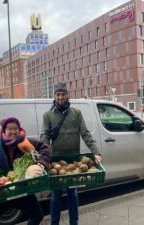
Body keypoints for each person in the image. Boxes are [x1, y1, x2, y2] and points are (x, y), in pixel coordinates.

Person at [0, 117, 51, 225]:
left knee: (37, 216)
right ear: (4, 130)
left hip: (21, 190)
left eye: (15, 128)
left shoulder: (26, 141)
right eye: (9, 129)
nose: (13, 131)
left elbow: (45, 148)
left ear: (19, 128)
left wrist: (42, 162)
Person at [40, 83, 102, 225]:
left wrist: (96, 152)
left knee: (72, 194)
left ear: (68, 95)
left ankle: (74, 223)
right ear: (54, 97)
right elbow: (44, 137)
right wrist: (45, 158)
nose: (60, 97)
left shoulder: (76, 113)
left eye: (63, 94)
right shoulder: (48, 115)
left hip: (75, 162)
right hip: (56, 162)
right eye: (58, 94)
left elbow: (85, 134)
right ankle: (54, 223)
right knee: (55, 195)